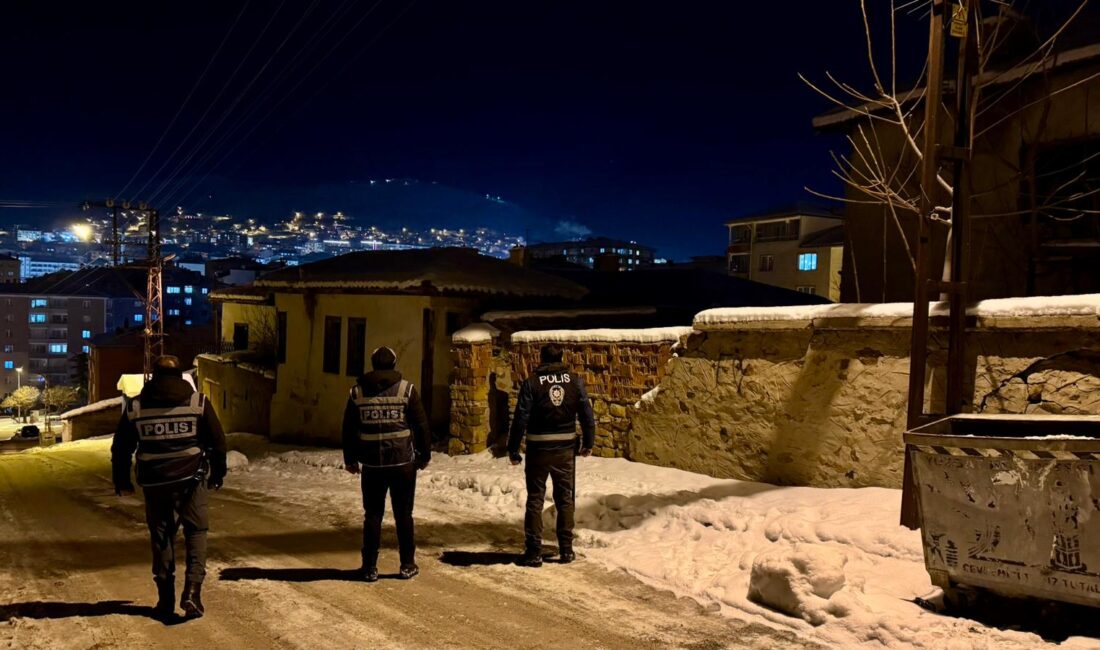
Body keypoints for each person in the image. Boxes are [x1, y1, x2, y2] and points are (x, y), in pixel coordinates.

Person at [112, 355, 226, 621]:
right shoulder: (198, 402)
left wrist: (122, 481)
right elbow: (218, 442)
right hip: (191, 480)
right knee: (196, 532)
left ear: (154, 375)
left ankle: (165, 600)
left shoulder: (136, 406)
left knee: (162, 536)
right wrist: (217, 474)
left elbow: (121, 447)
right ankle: (193, 591)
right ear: (178, 376)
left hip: (155, 482)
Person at [342, 346, 432, 582]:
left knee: (372, 516)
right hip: (402, 463)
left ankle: (370, 567)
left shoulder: (357, 392)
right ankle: (407, 564)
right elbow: (421, 425)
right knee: (404, 515)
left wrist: (350, 459)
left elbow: (349, 429)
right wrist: (424, 456)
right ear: (393, 364)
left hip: (372, 465)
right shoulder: (407, 390)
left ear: (373, 364)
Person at [508, 344, 595, 567]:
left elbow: (521, 417)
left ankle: (534, 551)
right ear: (561, 358)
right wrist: (588, 443)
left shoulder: (532, 383)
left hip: (538, 449)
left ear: (542, 359)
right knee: (565, 498)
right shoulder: (574, 381)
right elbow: (586, 414)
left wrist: (513, 449)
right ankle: (566, 549)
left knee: (535, 499)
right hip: (565, 450)